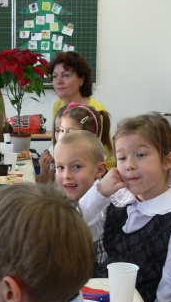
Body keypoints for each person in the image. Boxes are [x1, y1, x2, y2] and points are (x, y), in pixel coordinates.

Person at [82, 113, 171, 302]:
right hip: (99, 300)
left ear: (167, 161)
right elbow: (76, 230)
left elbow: (169, 290)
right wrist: (100, 192)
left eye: (141, 155)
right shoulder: (118, 198)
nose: (130, 166)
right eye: (122, 158)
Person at [54, 130, 108, 270]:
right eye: (60, 167)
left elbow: (76, 226)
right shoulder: (62, 198)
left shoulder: (104, 198)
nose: (66, 175)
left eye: (76, 167)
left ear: (99, 170)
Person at [49, 52, 107, 121]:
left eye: (66, 75)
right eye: (55, 76)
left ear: (81, 79)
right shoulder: (58, 104)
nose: (59, 81)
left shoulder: (97, 110)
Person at [59, 103, 114, 169]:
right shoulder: (61, 155)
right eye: (62, 130)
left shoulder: (91, 163)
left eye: (70, 133)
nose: (63, 136)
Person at [37, 106, 65, 183]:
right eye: (57, 130)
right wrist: (44, 171)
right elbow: (49, 184)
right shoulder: (54, 149)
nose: (60, 136)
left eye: (64, 131)